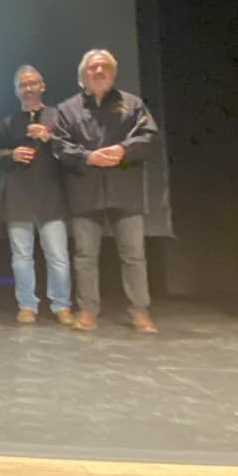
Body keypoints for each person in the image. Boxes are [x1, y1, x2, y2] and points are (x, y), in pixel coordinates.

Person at [53, 49, 159, 333]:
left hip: (125, 189)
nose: (99, 72)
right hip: (85, 191)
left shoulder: (132, 103)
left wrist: (123, 149)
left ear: (112, 73)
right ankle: (88, 311)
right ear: (82, 75)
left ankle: (140, 312)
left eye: (104, 68)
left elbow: (148, 137)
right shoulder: (67, 109)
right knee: (85, 255)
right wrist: (87, 157)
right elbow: (59, 146)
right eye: (93, 68)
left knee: (134, 254)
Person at [0, 66, 72, 325]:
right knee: (21, 257)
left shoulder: (59, 117)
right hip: (18, 196)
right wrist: (10, 155)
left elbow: (74, 152)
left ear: (42, 86)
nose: (27, 89)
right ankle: (27, 305)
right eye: (22, 85)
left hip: (51, 195)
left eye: (32, 84)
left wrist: (49, 138)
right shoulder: (7, 122)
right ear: (16, 91)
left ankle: (61, 305)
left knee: (58, 256)